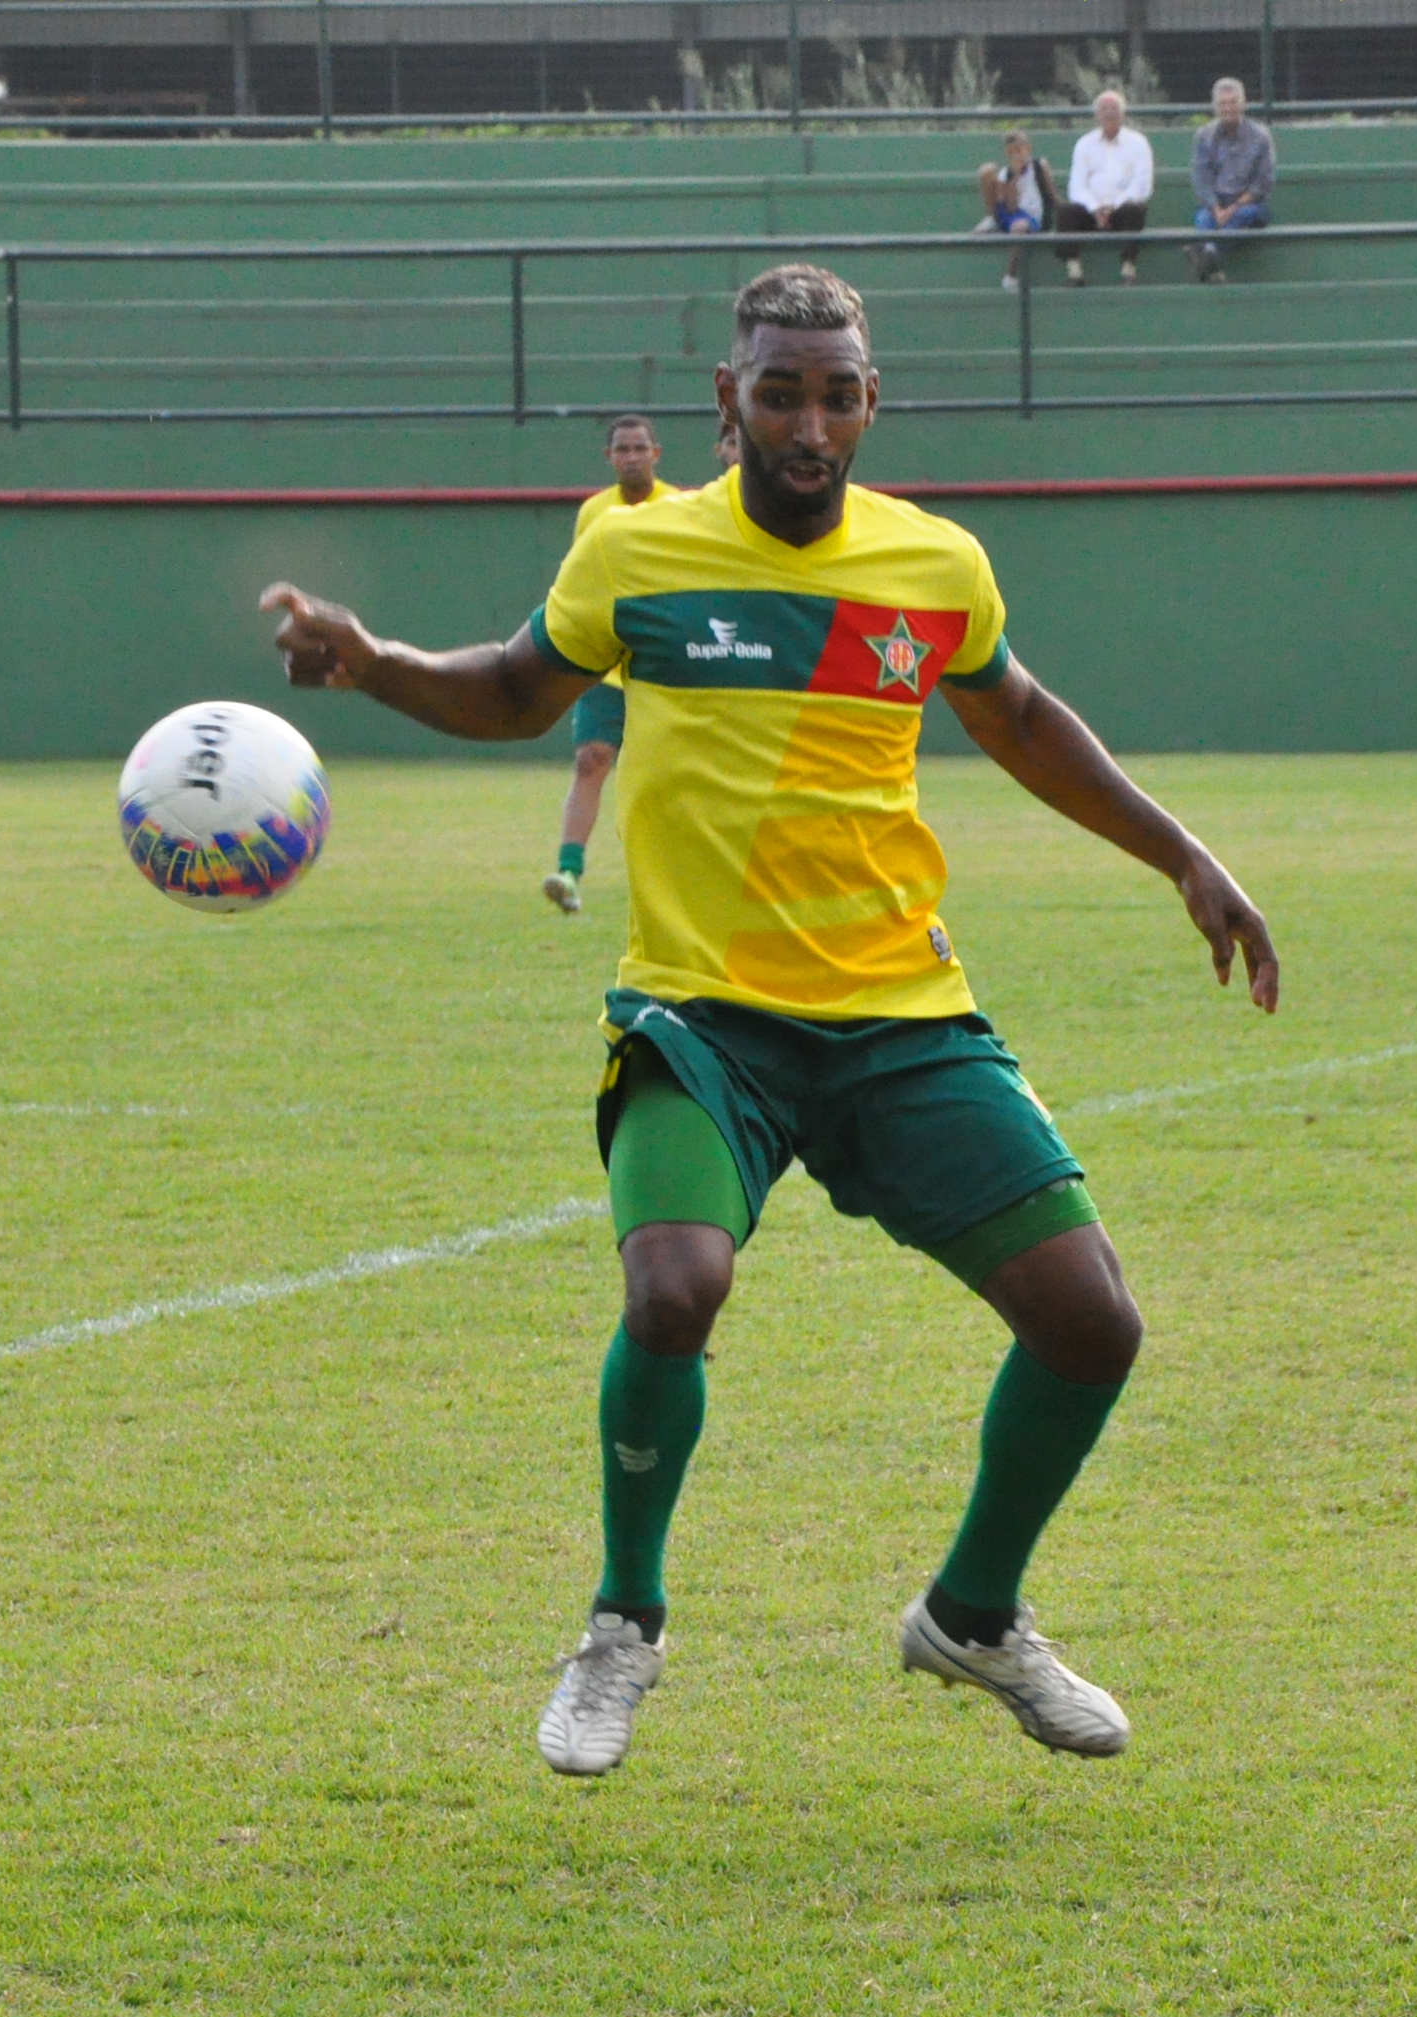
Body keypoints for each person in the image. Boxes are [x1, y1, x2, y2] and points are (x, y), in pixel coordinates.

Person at [257, 263, 1281, 1779]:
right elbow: (520, 690)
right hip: (703, 1017)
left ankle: (975, 1617)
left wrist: (1183, 853)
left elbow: (1026, 724)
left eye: (837, 392)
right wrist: (378, 664)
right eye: (780, 390)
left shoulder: (936, 568)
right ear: (728, 402)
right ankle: (623, 1625)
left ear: (873, 405)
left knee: (1093, 1322)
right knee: (673, 1290)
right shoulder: (639, 554)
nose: (810, 420)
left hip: (899, 1014)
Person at [542, 413, 681, 916]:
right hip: (608, 664)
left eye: (639, 448)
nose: (631, 457)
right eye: (622, 449)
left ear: (656, 453)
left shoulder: (680, 509)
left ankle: (679, 880)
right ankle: (569, 872)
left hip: (663, 665)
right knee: (590, 761)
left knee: (667, 778)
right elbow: (585, 585)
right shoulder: (593, 513)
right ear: (609, 458)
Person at [1058, 89, 1154, 287]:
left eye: (1114, 109)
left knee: (1135, 209)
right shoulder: (1084, 144)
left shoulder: (1138, 143)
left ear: (1123, 113)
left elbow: (1142, 184)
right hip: (1090, 213)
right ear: (1096, 115)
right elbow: (1076, 186)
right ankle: (1074, 271)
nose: (1109, 113)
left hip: (1122, 212)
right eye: (1104, 109)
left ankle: (1128, 269)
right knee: (1065, 211)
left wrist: (1112, 207)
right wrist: (1095, 208)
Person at [1187, 77, 1274, 285]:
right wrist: (1217, 208)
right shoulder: (1203, 136)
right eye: (1223, 104)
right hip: (1215, 204)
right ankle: (1213, 266)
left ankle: (1207, 253)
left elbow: (1264, 182)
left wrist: (1233, 207)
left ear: (1243, 104)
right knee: (1203, 220)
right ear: (1215, 107)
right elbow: (1202, 178)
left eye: (1233, 102)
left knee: (1244, 215)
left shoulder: (1260, 136)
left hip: (1249, 204)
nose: (1228, 108)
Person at [975, 129, 1059, 292]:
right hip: (1011, 212)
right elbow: (1011, 207)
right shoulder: (1006, 173)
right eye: (1013, 151)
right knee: (986, 170)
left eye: (1022, 149)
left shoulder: (1039, 166)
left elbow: (1052, 193)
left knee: (1019, 227)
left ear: (1028, 148)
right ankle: (991, 218)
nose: (1019, 154)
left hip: (1031, 218)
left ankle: (1011, 276)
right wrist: (1015, 176)